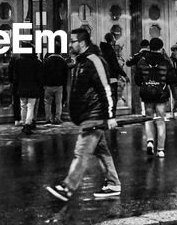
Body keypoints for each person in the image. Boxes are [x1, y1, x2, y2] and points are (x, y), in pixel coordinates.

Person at [45, 28, 120, 201]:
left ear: (83, 42)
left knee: (82, 152)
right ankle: (113, 184)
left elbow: (106, 88)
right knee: (102, 152)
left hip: (94, 115)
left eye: (73, 41)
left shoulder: (94, 61)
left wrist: (110, 116)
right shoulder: (83, 61)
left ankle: (67, 187)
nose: (70, 44)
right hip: (88, 114)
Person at [134, 37, 174, 157]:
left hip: (147, 95)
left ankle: (150, 142)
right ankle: (160, 149)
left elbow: (137, 79)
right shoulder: (165, 62)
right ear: (161, 48)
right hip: (161, 95)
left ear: (150, 47)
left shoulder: (142, 61)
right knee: (161, 121)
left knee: (148, 118)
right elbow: (172, 79)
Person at [10, 49, 43, 135]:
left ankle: (24, 123)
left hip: (22, 87)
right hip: (33, 88)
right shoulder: (37, 62)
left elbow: (15, 76)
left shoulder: (19, 62)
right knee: (30, 106)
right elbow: (40, 77)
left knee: (23, 106)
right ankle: (28, 124)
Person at [41, 46, 68, 125]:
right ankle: (57, 118)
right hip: (59, 85)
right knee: (58, 103)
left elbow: (43, 73)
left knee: (47, 102)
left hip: (48, 85)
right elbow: (65, 74)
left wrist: (44, 83)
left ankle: (48, 118)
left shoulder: (47, 60)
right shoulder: (62, 60)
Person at [99, 33, 126, 106]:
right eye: (114, 39)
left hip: (103, 77)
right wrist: (124, 74)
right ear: (112, 40)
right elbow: (115, 65)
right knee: (113, 98)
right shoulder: (110, 51)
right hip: (112, 77)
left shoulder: (101, 50)